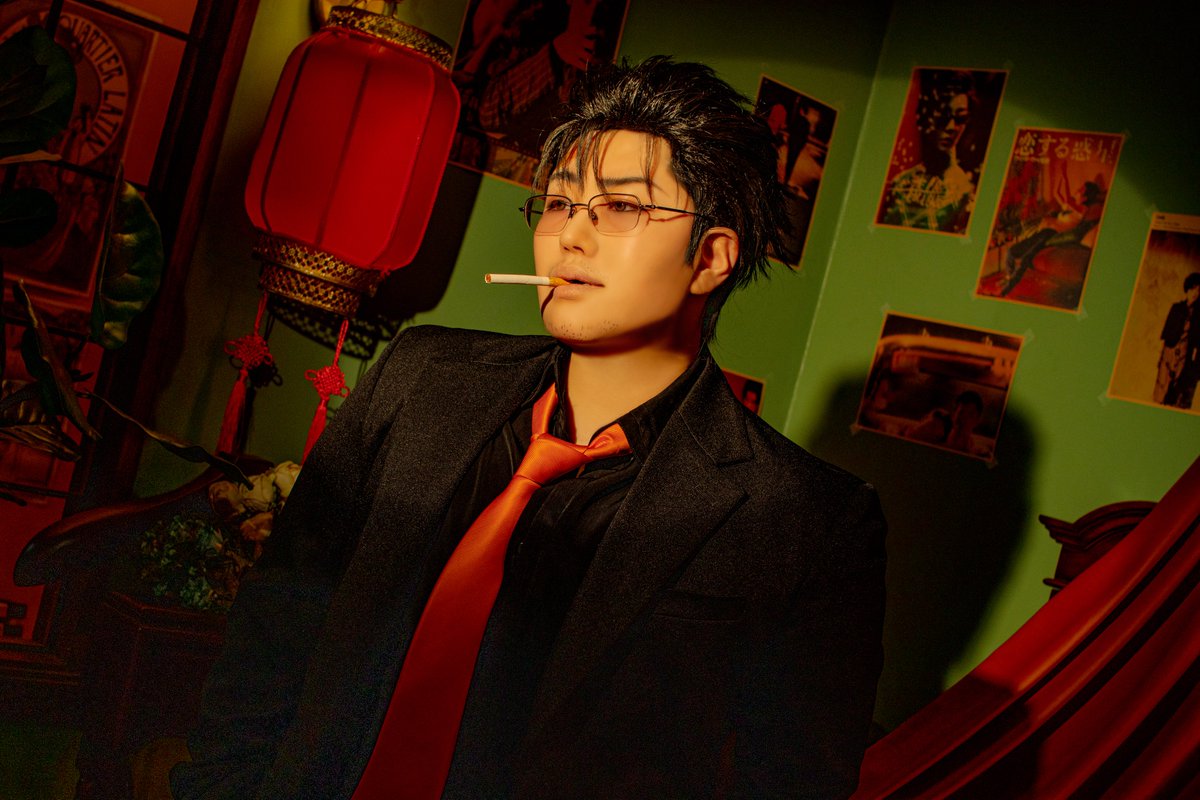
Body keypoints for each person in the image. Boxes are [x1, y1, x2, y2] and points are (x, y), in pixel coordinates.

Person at [172, 56, 887, 799]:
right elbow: (277, 626)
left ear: (710, 258)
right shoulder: (420, 377)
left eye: (620, 207)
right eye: (559, 202)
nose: (569, 236)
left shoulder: (806, 519)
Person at [879, 69, 978, 233]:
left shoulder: (966, 191)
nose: (951, 127)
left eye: (960, 118)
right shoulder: (900, 183)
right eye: (943, 116)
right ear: (928, 116)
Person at [1154, 271, 1200, 408]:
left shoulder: (1198, 315)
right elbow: (1166, 335)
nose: (1195, 293)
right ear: (1187, 289)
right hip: (1170, 351)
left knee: (1177, 390)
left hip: (1185, 355)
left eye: (1198, 290)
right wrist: (1161, 357)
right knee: (1163, 386)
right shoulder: (1176, 308)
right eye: (1193, 289)